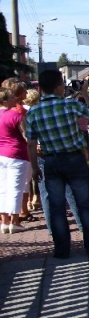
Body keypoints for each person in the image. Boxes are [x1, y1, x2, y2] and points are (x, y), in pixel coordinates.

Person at [25, 71, 89, 259]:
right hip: (75, 160)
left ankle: (62, 250)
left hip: (51, 161)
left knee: (57, 207)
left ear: (41, 88)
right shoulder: (70, 105)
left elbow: (31, 143)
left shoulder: (33, 112)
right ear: (59, 86)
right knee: (84, 204)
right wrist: (85, 93)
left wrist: (34, 168)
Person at [0, 87, 31, 234]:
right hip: (17, 154)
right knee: (16, 189)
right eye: (12, 97)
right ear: (5, 100)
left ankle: (4, 222)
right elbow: (26, 136)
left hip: (1, 155)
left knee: (2, 189)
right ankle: (15, 222)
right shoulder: (16, 115)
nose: (15, 99)